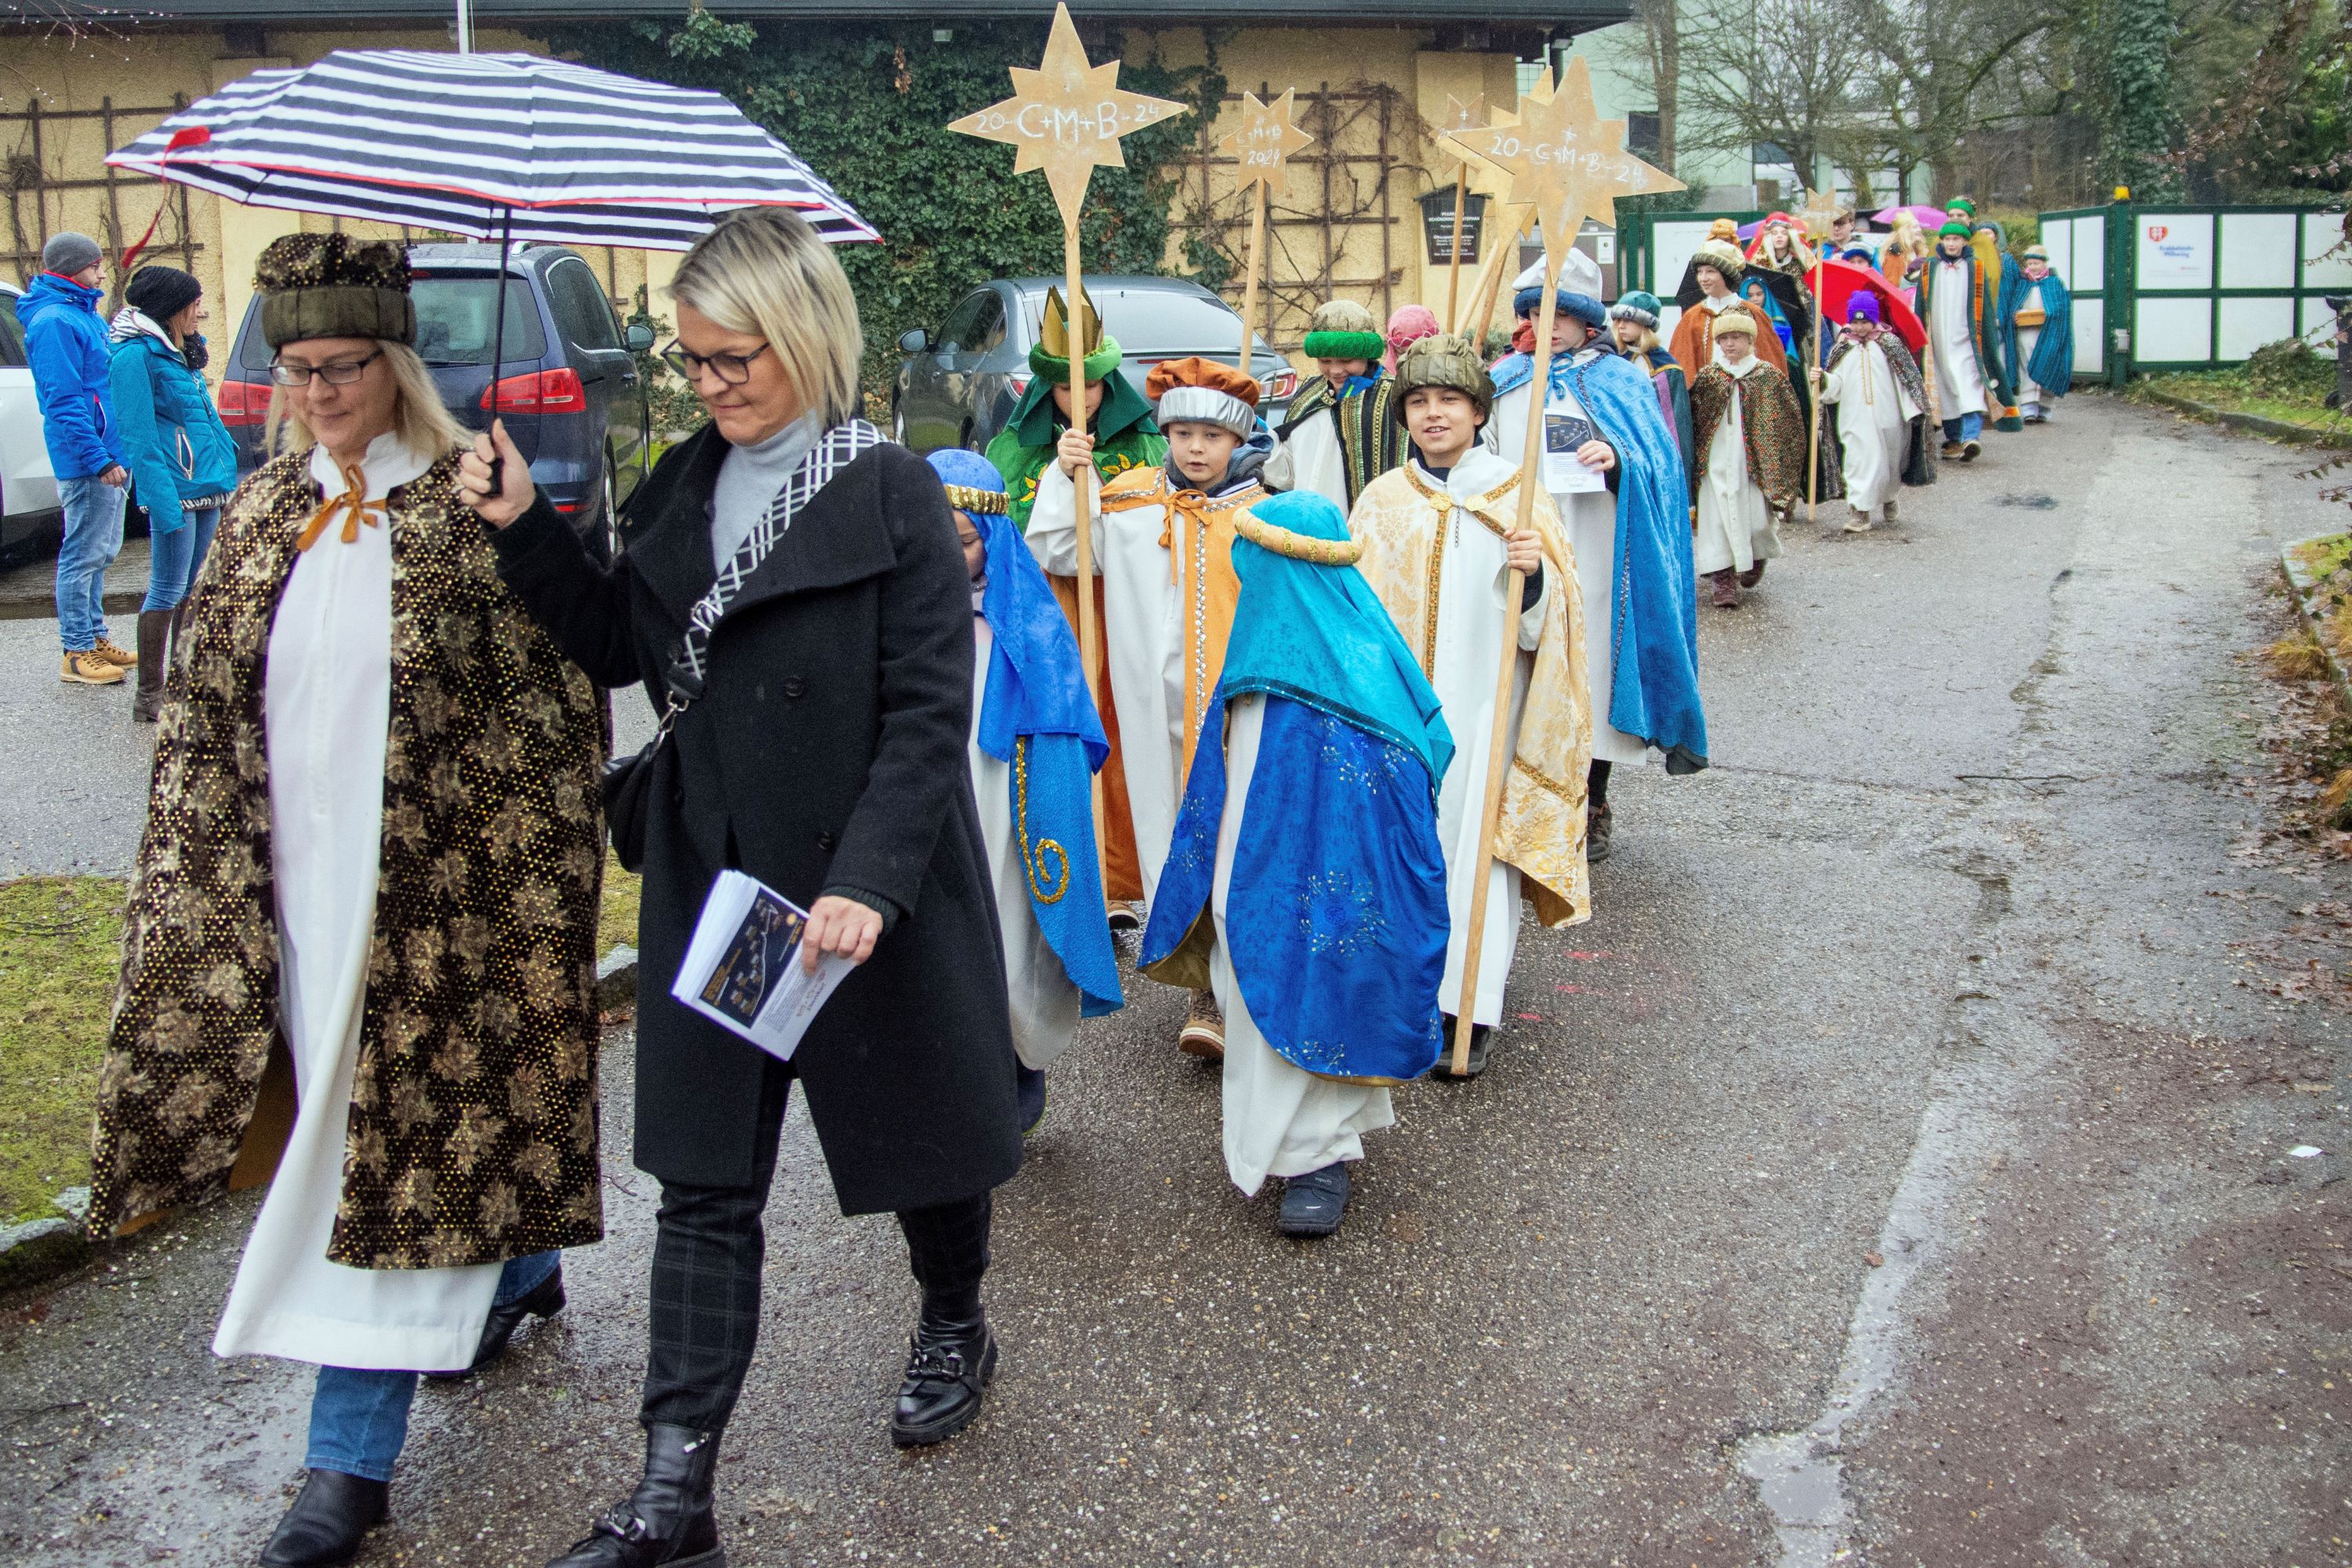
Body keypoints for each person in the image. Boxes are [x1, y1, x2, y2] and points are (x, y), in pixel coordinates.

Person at [467, 207, 1023, 1568]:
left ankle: (955, 1315)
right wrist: (527, 528)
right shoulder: (674, 477)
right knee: (707, 1185)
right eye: (696, 359)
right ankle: (674, 1495)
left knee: (918, 1145)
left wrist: (872, 885)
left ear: (805, 336)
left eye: (736, 359)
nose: (712, 383)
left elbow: (925, 710)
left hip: (854, 896)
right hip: (728, 891)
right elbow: (619, 645)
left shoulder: (890, 489)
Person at [84, 232, 605, 1568]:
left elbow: (557, 706)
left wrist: (502, 863)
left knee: (373, 1158)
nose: (315, 394)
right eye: (295, 368)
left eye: (343, 368)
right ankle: (523, 1270)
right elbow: (204, 711)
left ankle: (344, 1473)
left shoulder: (463, 503)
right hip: (293, 889)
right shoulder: (264, 512)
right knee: (400, 1136)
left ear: (397, 364)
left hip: (428, 903)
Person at [1139, 489, 1452, 1236]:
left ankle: (1318, 1155)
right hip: (1248, 870)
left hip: (1331, 887)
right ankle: (1288, 1140)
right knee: (1254, 983)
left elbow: (1417, 759)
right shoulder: (1265, 644)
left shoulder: (1360, 660)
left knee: (1318, 979)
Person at [1351, 332, 1594, 1080]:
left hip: (1489, 709)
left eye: (1449, 400)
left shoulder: (1515, 496)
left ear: (1478, 410)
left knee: (1476, 859)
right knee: (1400, 853)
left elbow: (1557, 626)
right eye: (1419, 401)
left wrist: (1537, 578)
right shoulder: (1383, 501)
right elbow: (1355, 610)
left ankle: (1470, 1007)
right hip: (1401, 716)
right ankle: (1405, 1000)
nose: (1433, 415)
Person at [1025, 356, 1273, 1063]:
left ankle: (1231, 991)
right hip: (1144, 716)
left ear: (1239, 442)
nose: (1197, 448)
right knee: (1168, 840)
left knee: (1232, 841)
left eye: (1214, 437)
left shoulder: (1259, 517)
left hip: (1229, 720)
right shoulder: (1130, 504)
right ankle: (1202, 983)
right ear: (1165, 433)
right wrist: (1068, 475)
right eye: (1184, 432)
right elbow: (1065, 550)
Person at [928, 448, 1123, 1136]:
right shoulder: (896, 622)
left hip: (1003, 813)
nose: (945, 558)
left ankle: (1015, 1071)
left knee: (1006, 933)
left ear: (994, 541)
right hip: (926, 811)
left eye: (962, 543)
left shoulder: (1032, 623)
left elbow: (1064, 722)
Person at [1490, 258, 1708, 867]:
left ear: (1589, 322)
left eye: (1563, 314)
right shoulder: (1503, 379)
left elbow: (1661, 469)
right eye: (1538, 313)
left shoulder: (1621, 381)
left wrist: (1618, 459)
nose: (1549, 325)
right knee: (1519, 676)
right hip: (1519, 550)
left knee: (1589, 678)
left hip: (1596, 552)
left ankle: (1592, 801)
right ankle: (1521, 801)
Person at [985, 284, 1163, 929]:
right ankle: (1068, 874)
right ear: (1046, 391)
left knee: (1127, 726)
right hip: (1056, 612)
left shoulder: (1145, 446)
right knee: (1065, 729)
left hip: (1127, 607)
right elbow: (1020, 543)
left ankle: (1121, 878)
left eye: (1091, 386)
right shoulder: (1016, 452)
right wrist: (1061, 477)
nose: (1081, 399)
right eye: (1066, 389)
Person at [106, 263, 236, 720]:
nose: (200, 312)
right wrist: (161, 504)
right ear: (173, 308)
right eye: (194, 304)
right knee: (166, 587)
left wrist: (227, 473)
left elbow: (204, 421)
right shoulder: (133, 356)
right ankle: (150, 695)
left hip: (206, 485)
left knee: (195, 587)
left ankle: (184, 682)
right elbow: (138, 437)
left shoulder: (180, 350)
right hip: (175, 490)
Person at [18, 231, 133, 686]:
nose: (102, 273)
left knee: (100, 553)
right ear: (70, 268)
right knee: (82, 555)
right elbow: (62, 400)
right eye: (94, 265)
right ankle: (76, 651)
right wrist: (99, 459)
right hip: (89, 461)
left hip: (106, 454)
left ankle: (95, 635)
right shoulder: (53, 322)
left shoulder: (83, 314)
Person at [1689, 305, 1806, 609]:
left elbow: (1786, 422)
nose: (1730, 344)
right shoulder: (1710, 377)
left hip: (1752, 460)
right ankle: (1722, 578)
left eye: (1737, 337)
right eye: (1724, 337)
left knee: (1755, 515)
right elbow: (1696, 419)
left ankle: (1755, 554)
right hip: (1715, 459)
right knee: (1715, 518)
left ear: (1750, 339)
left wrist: (1776, 460)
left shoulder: (1767, 376)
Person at [1264, 298, 1406, 510]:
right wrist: (1263, 441)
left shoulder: (1393, 399)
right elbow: (1287, 475)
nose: (1335, 371)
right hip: (1308, 530)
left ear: (1366, 355)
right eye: (1326, 361)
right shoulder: (1309, 395)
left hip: (1364, 533)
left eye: (1346, 360)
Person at [1813, 294, 1934, 534]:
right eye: (1855, 322)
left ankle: (1889, 495)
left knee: (1890, 459)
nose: (1859, 327)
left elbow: (1906, 378)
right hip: (1855, 418)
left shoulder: (1889, 344)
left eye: (1865, 321)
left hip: (1888, 415)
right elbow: (1836, 386)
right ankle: (1860, 511)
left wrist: (1915, 407)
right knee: (1859, 460)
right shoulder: (1843, 348)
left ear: (1874, 319)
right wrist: (1823, 380)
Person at [1915, 219, 2013, 461]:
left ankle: (1971, 437)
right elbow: (1920, 305)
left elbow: (1986, 308)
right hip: (1938, 339)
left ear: (1964, 242)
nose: (1951, 244)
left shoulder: (1975, 267)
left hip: (1968, 339)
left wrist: (1988, 335)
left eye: (1956, 239)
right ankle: (1954, 440)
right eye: (1947, 239)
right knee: (1945, 388)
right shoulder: (1929, 268)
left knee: (1970, 384)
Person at [1671, 222, 1796, 383]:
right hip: (1706, 404)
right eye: (1700, 272)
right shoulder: (1692, 318)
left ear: (1726, 274)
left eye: (1710, 271)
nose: (1703, 278)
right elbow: (1682, 372)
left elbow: (1772, 366)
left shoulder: (1754, 314)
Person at [1610, 289, 1697, 479]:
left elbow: (1677, 425)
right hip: (1617, 450)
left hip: (1655, 450)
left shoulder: (1667, 367)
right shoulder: (1609, 360)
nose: (1621, 325)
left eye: (1628, 319)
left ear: (1645, 325)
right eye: (1618, 320)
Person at [2003, 244, 2074, 423]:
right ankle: (2028, 407)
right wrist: (2017, 315)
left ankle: (2044, 407)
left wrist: (2050, 315)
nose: (2033, 267)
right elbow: (2014, 305)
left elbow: (2062, 308)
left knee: (2047, 364)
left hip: (2048, 333)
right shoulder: (2023, 283)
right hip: (2025, 332)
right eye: (2030, 263)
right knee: (2027, 365)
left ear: (2044, 264)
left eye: (2036, 263)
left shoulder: (2054, 283)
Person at [1383, 301, 1441, 372]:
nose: (1408, 362)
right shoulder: (1387, 380)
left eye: (1418, 352)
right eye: (1401, 353)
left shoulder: (1449, 374)